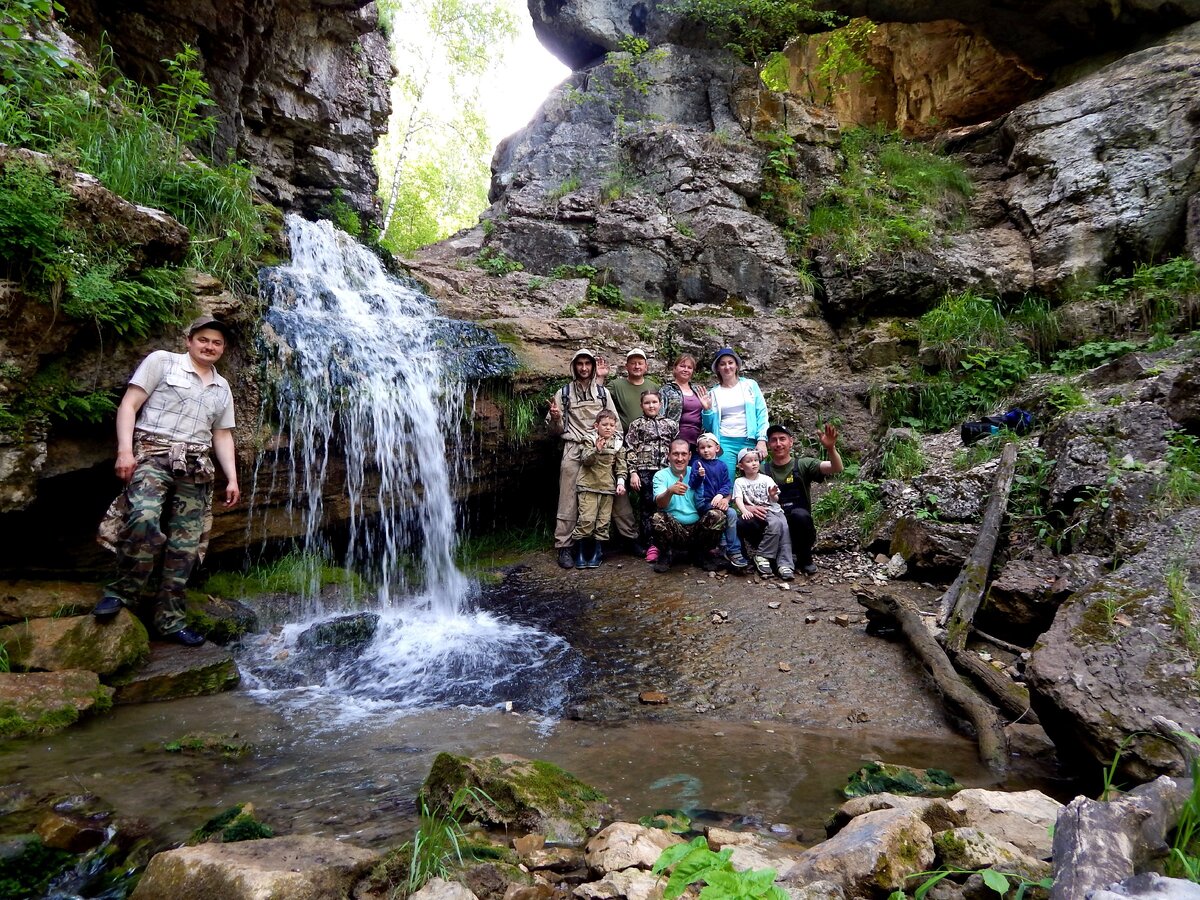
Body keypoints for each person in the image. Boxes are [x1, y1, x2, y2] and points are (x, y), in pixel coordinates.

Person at [92, 316, 240, 646]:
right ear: (189, 340)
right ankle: (120, 593)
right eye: (203, 339)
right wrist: (124, 452)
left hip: (196, 465)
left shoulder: (222, 387)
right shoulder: (162, 361)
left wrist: (232, 478)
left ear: (223, 348)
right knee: (142, 518)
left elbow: (222, 435)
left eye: (217, 342)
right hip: (151, 454)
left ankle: (170, 619)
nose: (209, 346)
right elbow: (129, 405)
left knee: (186, 546)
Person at [547, 348, 619, 569]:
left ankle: (620, 539)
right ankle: (564, 547)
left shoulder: (602, 393)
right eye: (580, 364)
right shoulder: (564, 393)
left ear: (593, 367)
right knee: (567, 499)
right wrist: (556, 418)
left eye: (588, 363)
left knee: (607, 494)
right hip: (573, 448)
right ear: (574, 366)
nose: (584, 368)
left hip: (600, 450)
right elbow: (554, 430)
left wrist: (613, 448)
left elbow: (615, 424)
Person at [765, 422, 844, 575]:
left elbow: (837, 468)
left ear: (791, 442)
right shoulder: (762, 470)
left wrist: (830, 448)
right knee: (747, 522)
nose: (778, 443)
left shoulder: (803, 465)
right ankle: (765, 557)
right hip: (774, 530)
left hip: (800, 529)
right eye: (774, 440)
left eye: (782, 439)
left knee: (799, 515)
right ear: (768, 444)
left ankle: (805, 557)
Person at [604, 348, 657, 553]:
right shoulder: (617, 385)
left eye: (640, 363)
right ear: (626, 366)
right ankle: (616, 536)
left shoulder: (653, 386)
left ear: (646, 366)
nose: (636, 366)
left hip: (646, 450)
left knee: (645, 495)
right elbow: (601, 399)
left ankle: (644, 538)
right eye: (632, 363)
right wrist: (600, 377)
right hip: (619, 444)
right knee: (618, 488)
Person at [650, 439, 726, 573]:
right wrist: (670, 491)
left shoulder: (698, 472)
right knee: (657, 518)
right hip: (674, 529)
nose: (680, 458)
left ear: (690, 456)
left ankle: (702, 553)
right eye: (676, 454)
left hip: (697, 527)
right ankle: (666, 554)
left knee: (717, 516)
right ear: (668, 455)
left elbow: (722, 488)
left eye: (684, 454)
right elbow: (659, 503)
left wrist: (725, 498)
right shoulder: (661, 476)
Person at [624, 389, 678, 563]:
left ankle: (669, 541)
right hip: (645, 470)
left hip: (666, 471)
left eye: (654, 402)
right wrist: (633, 473)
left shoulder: (671, 424)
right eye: (647, 403)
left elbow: (677, 448)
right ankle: (650, 544)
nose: (651, 405)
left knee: (667, 505)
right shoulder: (636, 425)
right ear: (641, 406)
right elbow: (630, 449)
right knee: (647, 507)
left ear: (660, 404)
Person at [570, 409, 627, 569]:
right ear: (597, 426)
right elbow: (585, 460)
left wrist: (621, 482)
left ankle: (597, 552)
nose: (608, 428)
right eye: (604, 425)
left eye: (611, 425)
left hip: (607, 487)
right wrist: (597, 450)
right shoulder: (588, 440)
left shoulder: (618, 443)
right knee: (586, 520)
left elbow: (621, 466)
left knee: (603, 522)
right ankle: (580, 553)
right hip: (588, 485)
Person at [701, 347, 769, 475]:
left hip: (750, 440)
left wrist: (761, 440)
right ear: (717, 369)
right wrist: (707, 410)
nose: (727, 367)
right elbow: (708, 427)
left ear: (737, 365)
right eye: (722, 364)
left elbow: (761, 413)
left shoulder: (750, 385)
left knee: (758, 479)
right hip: (725, 442)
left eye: (730, 363)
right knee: (725, 482)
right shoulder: (713, 393)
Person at [690, 432, 749, 571]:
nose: (706, 450)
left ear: (716, 448)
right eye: (702, 447)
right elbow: (693, 484)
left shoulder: (722, 465)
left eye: (709, 446)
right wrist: (700, 476)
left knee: (732, 514)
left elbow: (726, 484)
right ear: (698, 450)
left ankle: (733, 550)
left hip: (718, 500)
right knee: (721, 514)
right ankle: (723, 546)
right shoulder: (697, 464)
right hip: (703, 503)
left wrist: (721, 495)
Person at [733, 448, 794, 580]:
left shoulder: (766, 478)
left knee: (784, 526)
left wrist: (772, 495)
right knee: (775, 524)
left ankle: (785, 564)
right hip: (760, 511)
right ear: (740, 466)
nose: (754, 463)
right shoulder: (740, 481)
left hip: (773, 508)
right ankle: (763, 555)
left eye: (756, 460)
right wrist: (744, 510)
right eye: (749, 461)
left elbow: (775, 498)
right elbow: (737, 498)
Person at [658, 353, 709, 451]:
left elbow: (707, 417)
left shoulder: (698, 391)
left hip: (698, 443)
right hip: (675, 442)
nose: (686, 369)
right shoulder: (666, 390)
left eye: (689, 367)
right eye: (682, 366)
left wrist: (707, 408)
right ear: (675, 368)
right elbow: (660, 417)